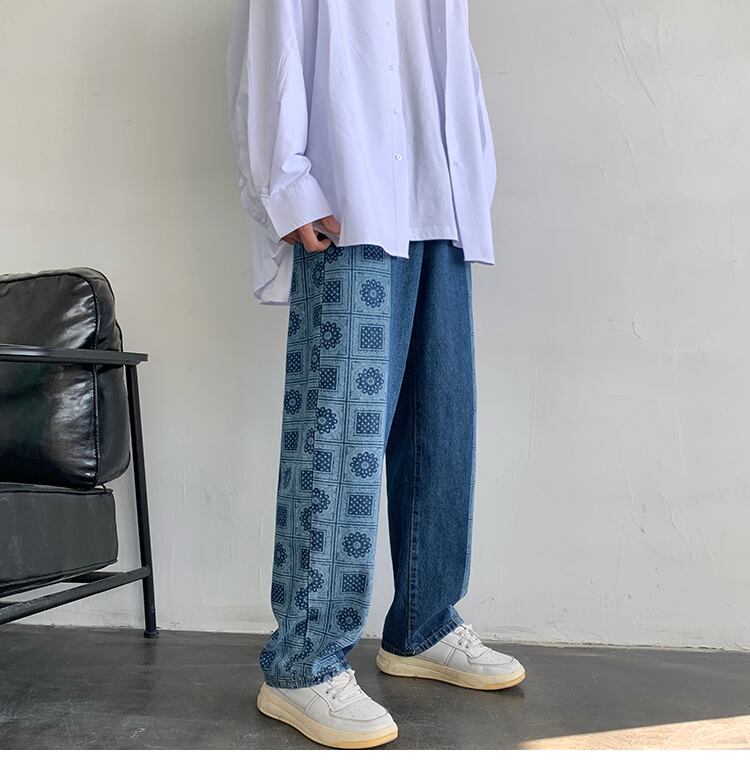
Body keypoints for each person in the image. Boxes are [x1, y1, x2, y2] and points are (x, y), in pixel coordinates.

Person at [226, 0, 525, 749]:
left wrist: (472, 181)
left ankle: (425, 623)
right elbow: (269, 54)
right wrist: (286, 185)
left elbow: (454, 66)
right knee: (339, 441)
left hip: (438, 201)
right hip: (351, 202)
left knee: (441, 424)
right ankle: (301, 661)